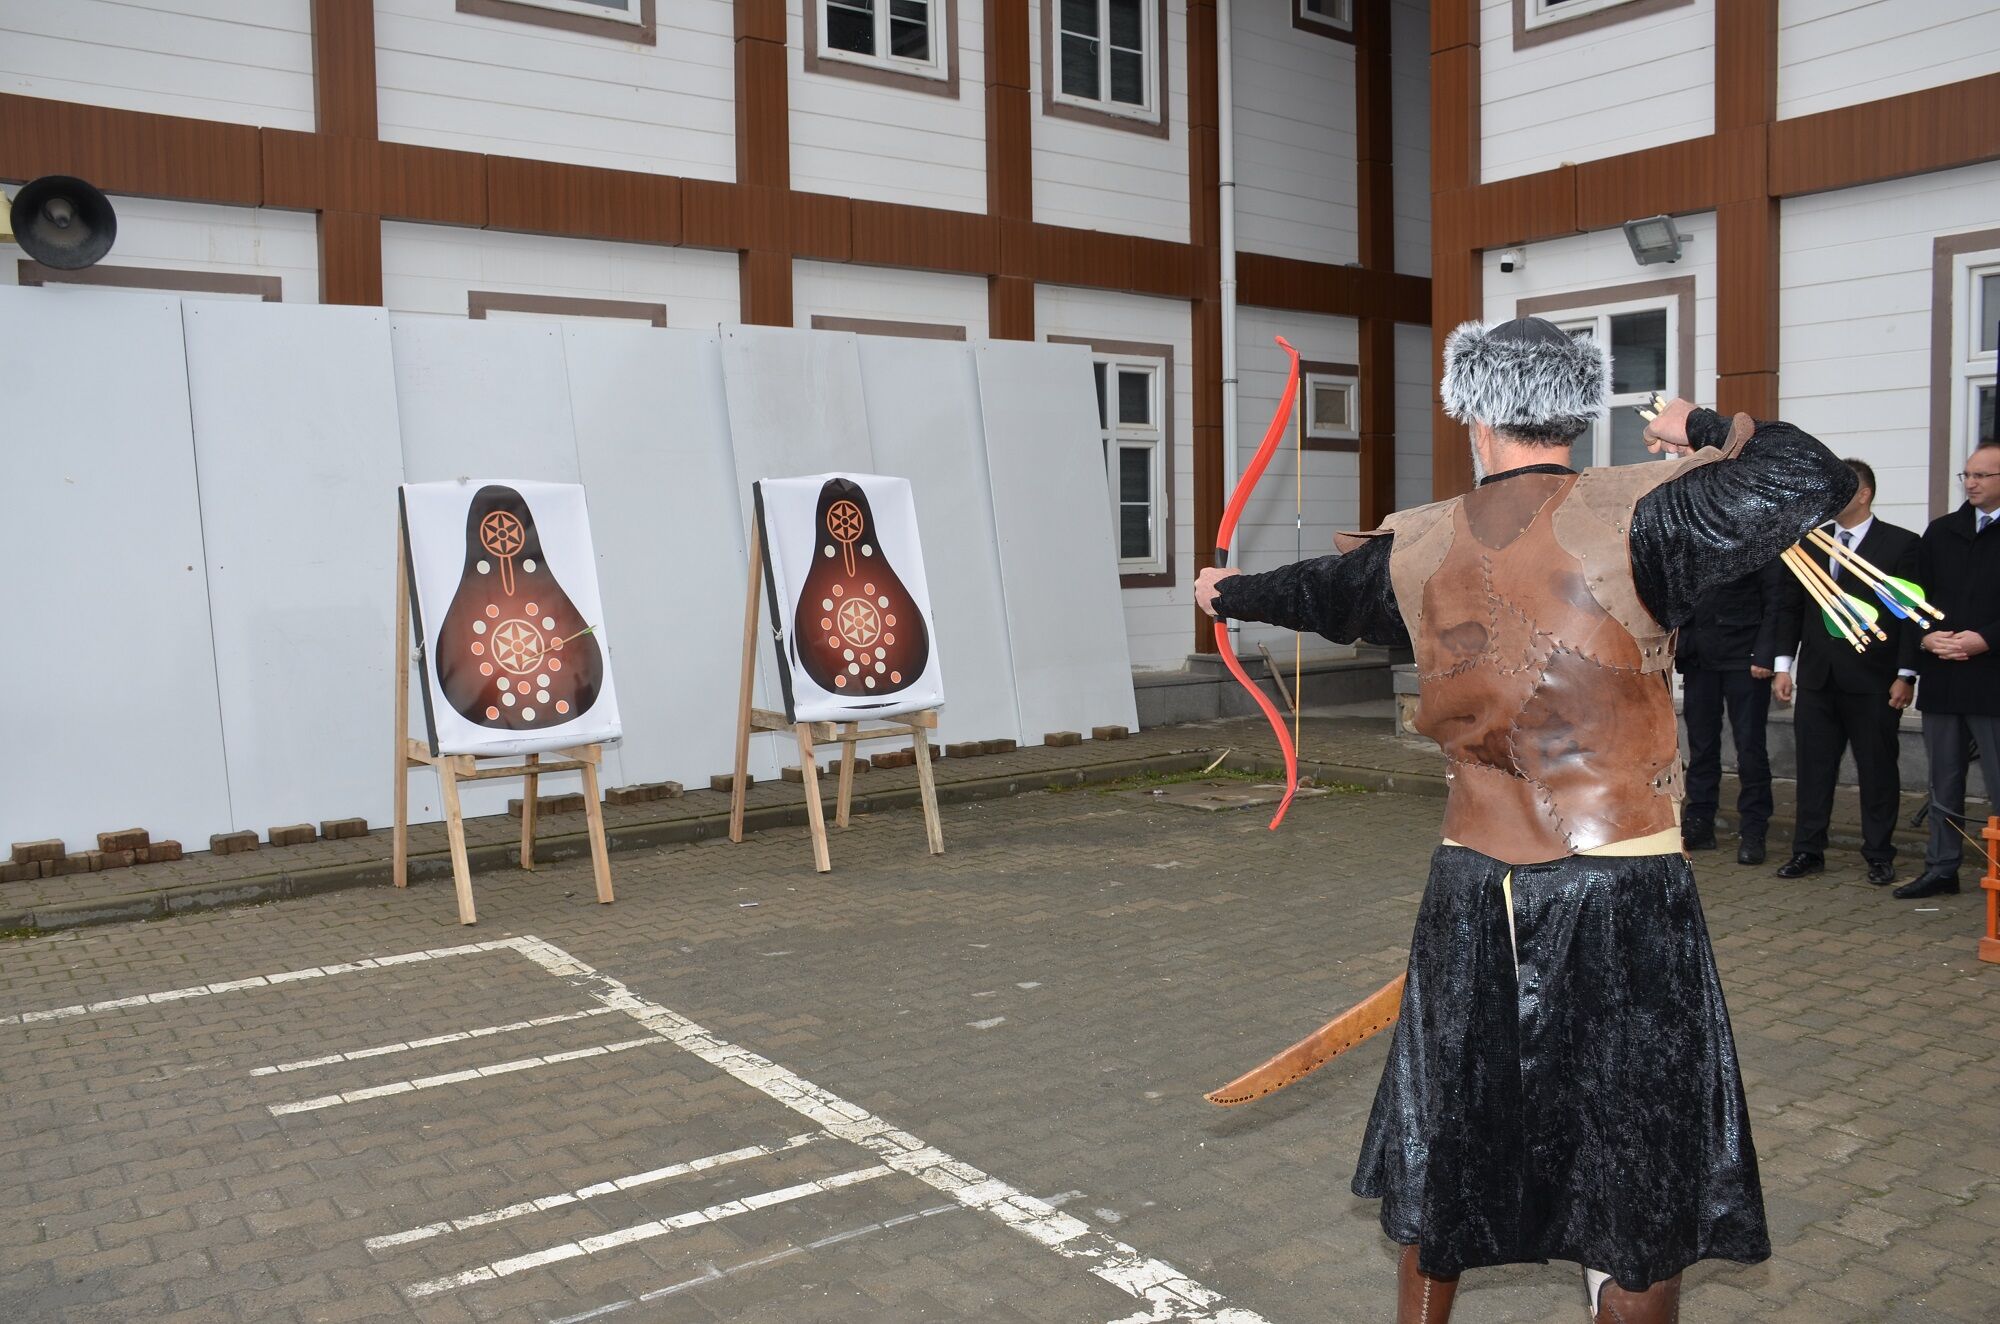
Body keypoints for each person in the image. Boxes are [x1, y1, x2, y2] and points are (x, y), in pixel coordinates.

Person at [1196, 316, 1854, 1324]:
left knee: (1447, 1132)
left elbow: (1320, 593)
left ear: (1469, 412)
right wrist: (1705, 424)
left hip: (1474, 881)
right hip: (1621, 886)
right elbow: (1806, 474)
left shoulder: (1413, 543)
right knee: (1630, 1161)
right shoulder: (1648, 514)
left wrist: (1227, 589)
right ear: (1572, 412)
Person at [1769, 460, 1920, 887]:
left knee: (1877, 771)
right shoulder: (1811, 544)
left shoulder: (1901, 544)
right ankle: (1808, 851)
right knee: (1813, 770)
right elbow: (1790, 608)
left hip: (1875, 681)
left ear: (1863, 494)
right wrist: (1784, 666)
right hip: (1817, 679)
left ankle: (1878, 854)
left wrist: (1906, 674)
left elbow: (1907, 614)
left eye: (1838, 489)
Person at [1896, 441, 2000, 898]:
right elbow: (1914, 601)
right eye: (1967, 475)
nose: (1972, 483)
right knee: (1944, 780)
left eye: (1982, 476)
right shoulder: (1941, 532)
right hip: (1943, 675)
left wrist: (1987, 639)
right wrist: (1925, 637)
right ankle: (1942, 867)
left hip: (1993, 677)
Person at [1675, 558, 1796, 865]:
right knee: (1701, 747)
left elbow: (1775, 600)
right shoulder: (1697, 535)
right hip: (1699, 657)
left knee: (1750, 749)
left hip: (1745, 659)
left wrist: (1766, 655)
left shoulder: (1757, 536)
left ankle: (1754, 830)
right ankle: (1700, 821)